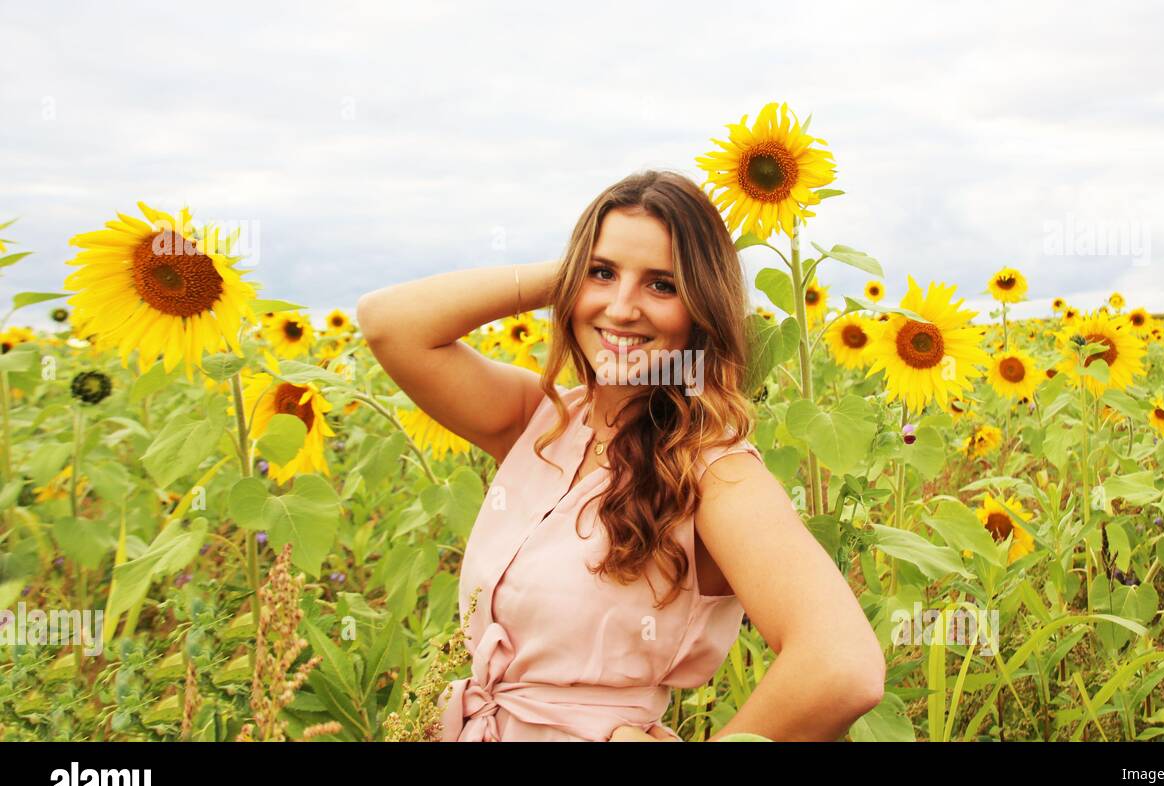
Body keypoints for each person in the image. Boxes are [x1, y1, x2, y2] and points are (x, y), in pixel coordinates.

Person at [357, 169, 885, 741]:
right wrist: (572, 273)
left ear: (702, 307)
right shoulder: (541, 422)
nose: (622, 308)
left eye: (662, 285)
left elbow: (841, 666)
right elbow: (390, 323)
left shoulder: (712, 468)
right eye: (602, 273)